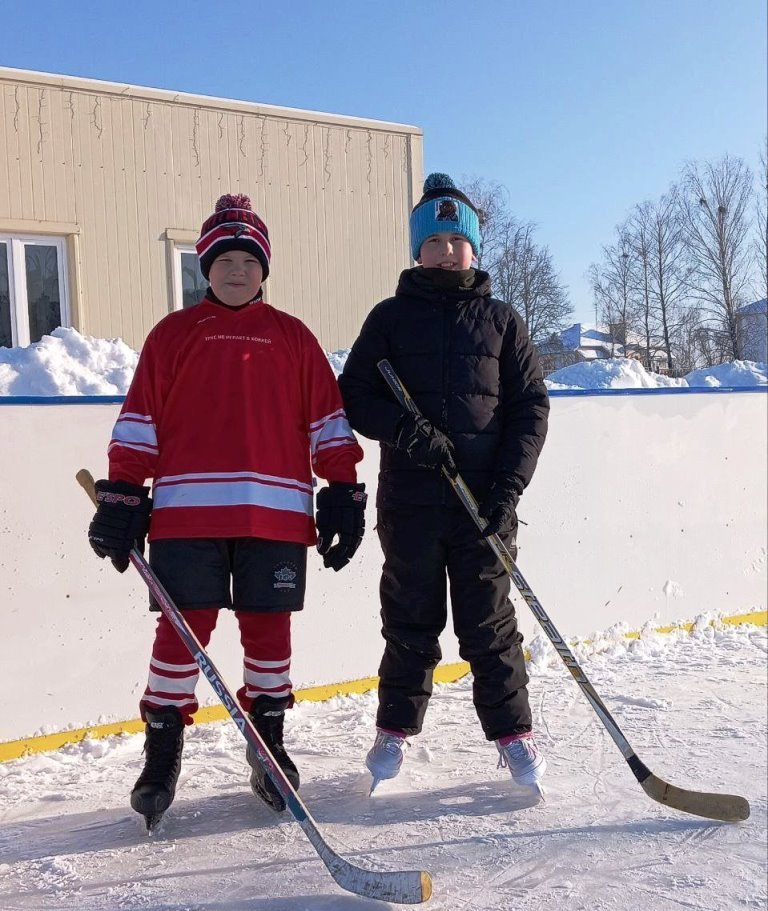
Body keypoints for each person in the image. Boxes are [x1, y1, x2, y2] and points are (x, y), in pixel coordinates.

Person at [88, 193, 366, 822]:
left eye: (248, 261)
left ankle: (268, 743)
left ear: (264, 269)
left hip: (275, 518)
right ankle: (163, 751)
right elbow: (139, 422)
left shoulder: (293, 336)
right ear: (205, 268)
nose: (236, 271)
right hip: (187, 517)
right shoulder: (173, 334)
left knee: (270, 632)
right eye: (224, 261)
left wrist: (343, 490)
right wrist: (125, 491)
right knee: (180, 633)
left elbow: (327, 421)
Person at [338, 173, 550, 795]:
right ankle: (394, 732)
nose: (447, 250)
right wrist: (406, 431)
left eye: (458, 241)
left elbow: (530, 409)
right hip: (411, 505)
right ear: (417, 251)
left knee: (490, 625)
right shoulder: (389, 319)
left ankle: (514, 735)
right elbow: (355, 395)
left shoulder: (503, 322)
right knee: (409, 621)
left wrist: (508, 488)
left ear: (474, 249)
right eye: (434, 241)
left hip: (483, 504)